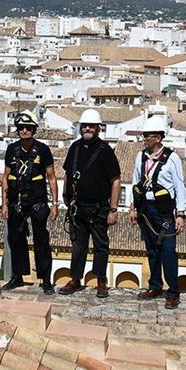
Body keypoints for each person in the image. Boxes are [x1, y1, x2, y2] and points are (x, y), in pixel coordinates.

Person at [58, 109, 121, 298]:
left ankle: (101, 280)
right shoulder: (74, 148)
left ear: (98, 128)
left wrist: (113, 210)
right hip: (78, 207)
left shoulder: (105, 151)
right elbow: (68, 173)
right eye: (85, 125)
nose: (87, 129)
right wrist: (66, 195)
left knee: (100, 245)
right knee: (78, 245)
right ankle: (75, 279)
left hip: (99, 208)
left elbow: (116, 180)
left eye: (91, 126)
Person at [129, 115, 186, 309]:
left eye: (148, 135)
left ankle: (173, 292)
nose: (145, 138)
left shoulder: (172, 159)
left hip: (164, 211)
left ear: (159, 137)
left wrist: (181, 214)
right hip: (145, 209)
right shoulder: (141, 157)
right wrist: (132, 207)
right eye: (144, 135)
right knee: (152, 249)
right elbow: (135, 181)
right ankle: (155, 285)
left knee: (168, 251)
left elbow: (179, 186)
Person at [0, 111, 57, 294]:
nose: (24, 131)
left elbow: (51, 177)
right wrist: (4, 203)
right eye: (21, 128)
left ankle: (46, 279)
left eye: (28, 128)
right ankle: (17, 276)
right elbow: (6, 177)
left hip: (38, 202)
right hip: (16, 201)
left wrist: (55, 204)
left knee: (41, 240)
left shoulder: (43, 150)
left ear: (34, 129)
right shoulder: (12, 149)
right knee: (15, 239)